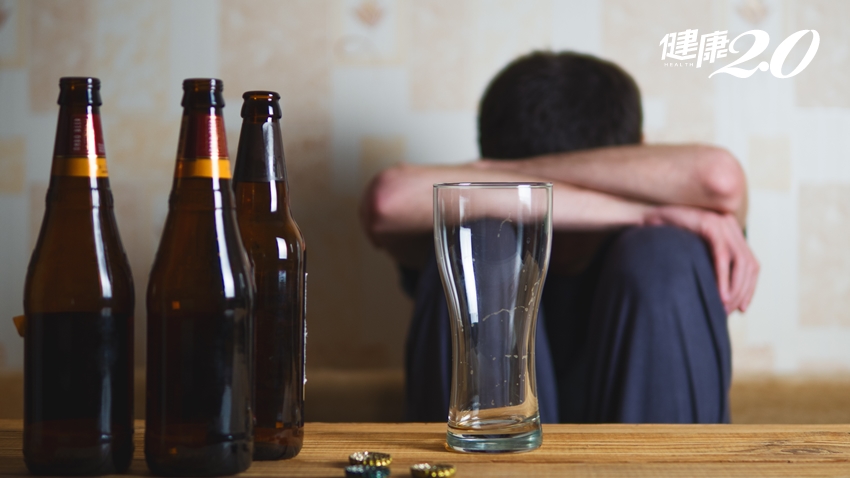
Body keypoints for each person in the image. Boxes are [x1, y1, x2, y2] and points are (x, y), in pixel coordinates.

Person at [360, 51, 759, 423]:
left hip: (654, 452)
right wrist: (644, 210)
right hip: (473, 448)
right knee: (482, 240)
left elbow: (718, 178)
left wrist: (499, 174)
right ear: (641, 145)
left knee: (662, 253)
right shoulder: (463, 230)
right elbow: (387, 201)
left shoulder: (667, 243)